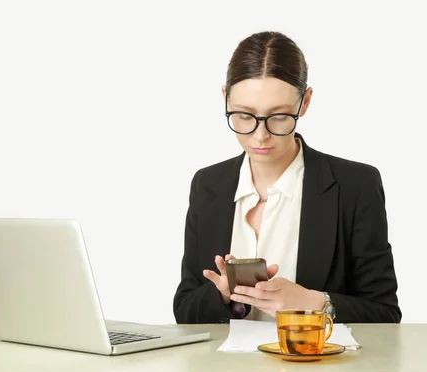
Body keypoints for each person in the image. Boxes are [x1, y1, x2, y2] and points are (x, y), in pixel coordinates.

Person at [172, 31, 401, 324]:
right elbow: (184, 309)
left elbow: (385, 314)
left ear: (304, 103)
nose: (260, 135)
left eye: (279, 117)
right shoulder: (208, 184)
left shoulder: (355, 186)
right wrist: (223, 294)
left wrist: (316, 303)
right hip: (223, 368)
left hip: (316, 368)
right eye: (243, 116)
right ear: (225, 99)